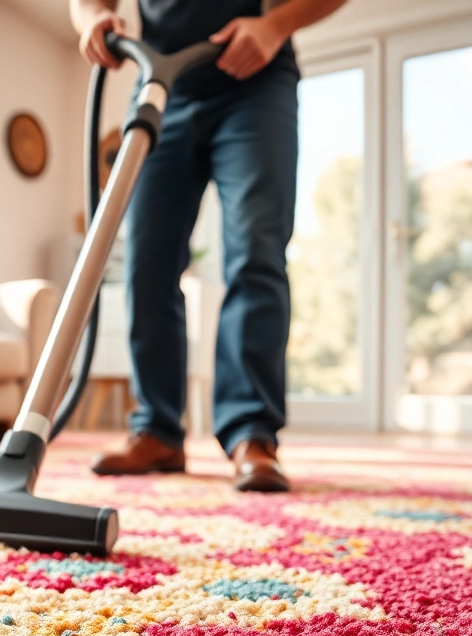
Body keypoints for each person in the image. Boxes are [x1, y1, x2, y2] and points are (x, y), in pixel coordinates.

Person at [71, 0, 347, 491]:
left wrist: (275, 25)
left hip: (256, 79)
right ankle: (157, 431)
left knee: (255, 250)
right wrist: (91, 18)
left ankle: (251, 433)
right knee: (146, 263)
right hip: (161, 85)